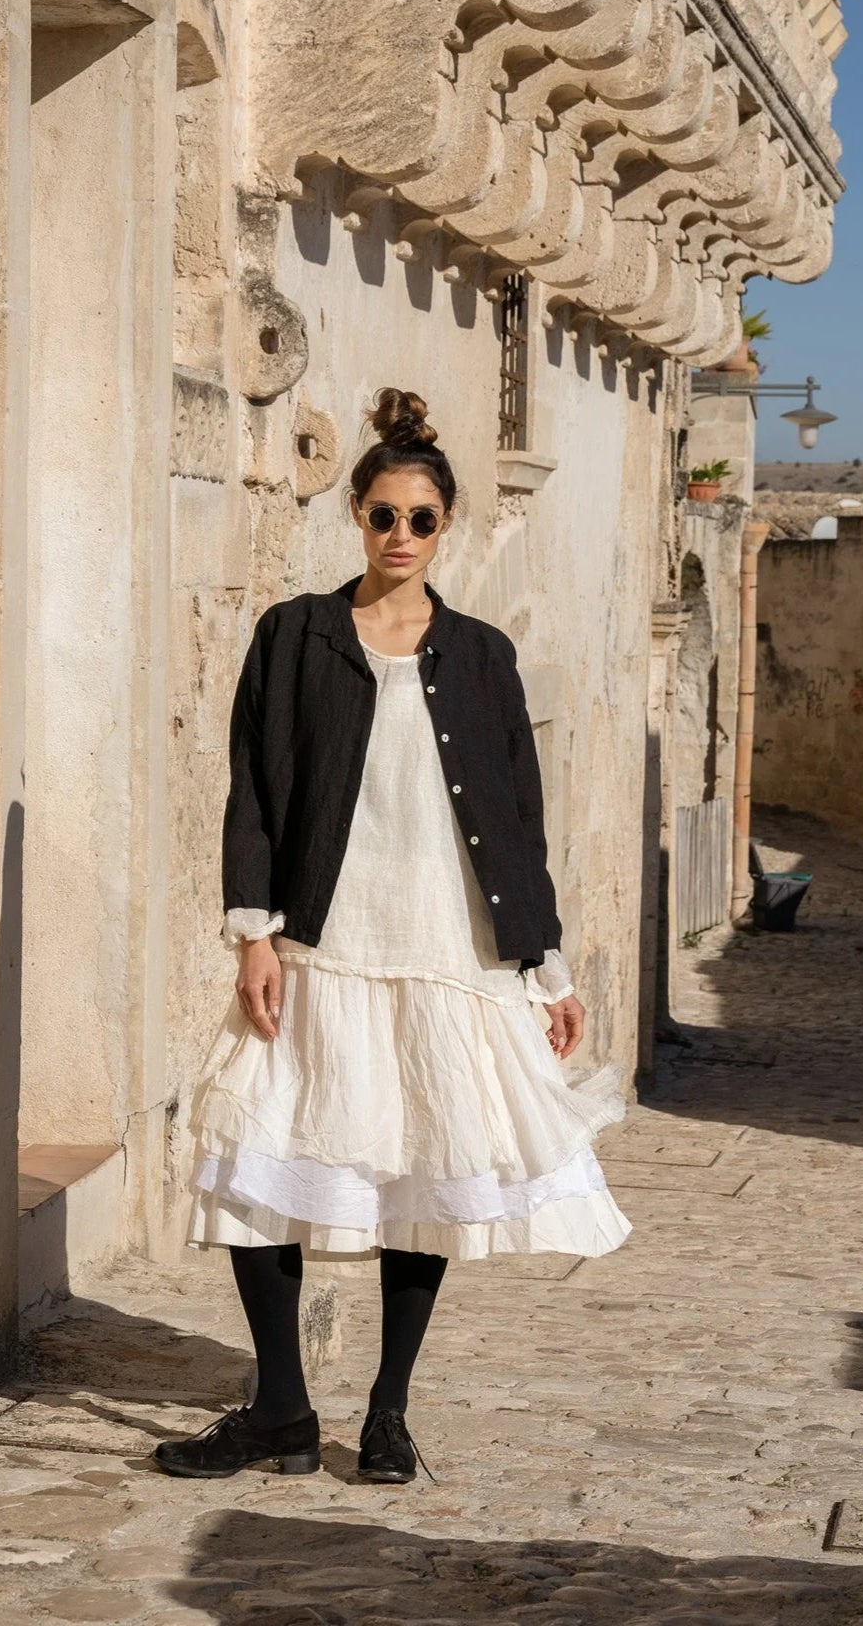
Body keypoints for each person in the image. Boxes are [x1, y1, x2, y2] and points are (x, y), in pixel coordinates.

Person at [154, 387, 631, 1485]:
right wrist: (252, 935)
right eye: (380, 516)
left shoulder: (481, 655)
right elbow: (255, 792)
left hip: (447, 948)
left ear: (445, 526)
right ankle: (278, 1405)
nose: (400, 537)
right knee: (257, 1158)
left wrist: (544, 967)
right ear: (355, 518)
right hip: (321, 940)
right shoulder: (295, 634)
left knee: (423, 1166)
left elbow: (517, 820)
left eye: (420, 520)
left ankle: (386, 1412)